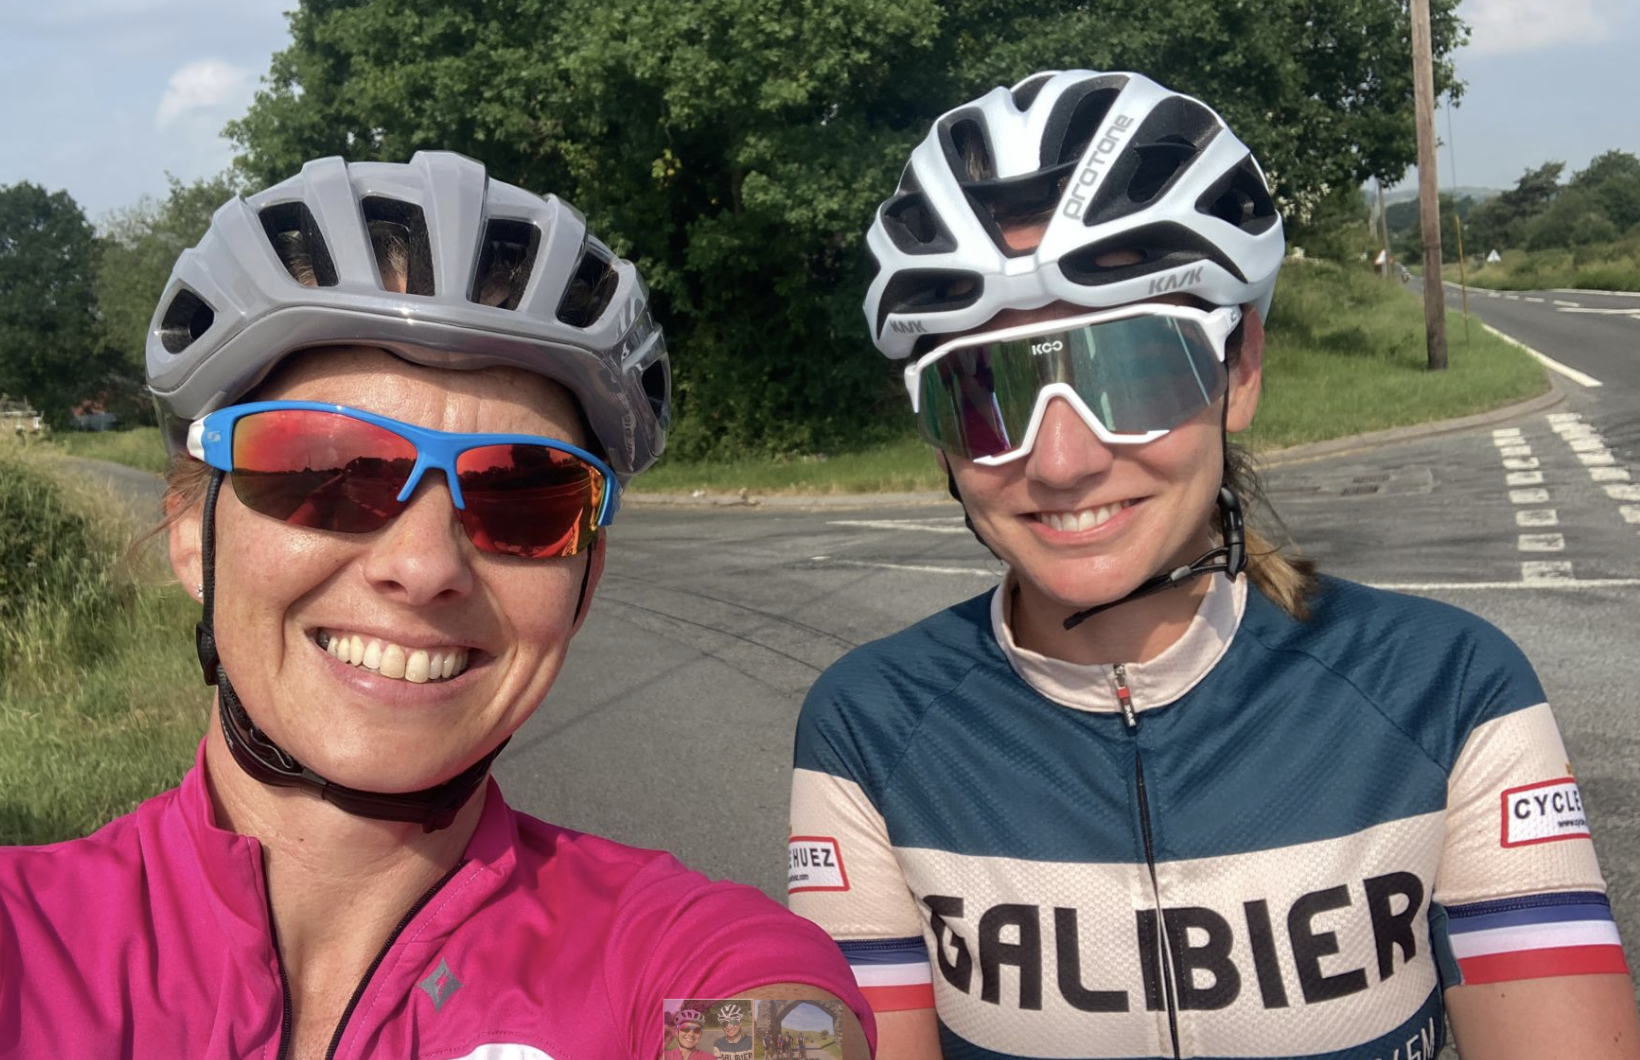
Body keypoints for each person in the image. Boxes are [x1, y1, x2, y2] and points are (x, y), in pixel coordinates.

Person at [787, 71, 1639, 1059]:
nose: (1061, 462)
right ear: (935, 430)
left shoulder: (1448, 689)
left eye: (1133, 367)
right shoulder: (867, 725)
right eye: (983, 392)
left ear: (1240, 369)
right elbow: (785, 1020)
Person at [0, 152, 874, 1059]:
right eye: (326, 468)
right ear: (192, 532)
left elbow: (796, 1033)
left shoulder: (676, 959)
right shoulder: (25, 941)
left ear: (584, 581)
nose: (423, 567)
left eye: (524, 495)